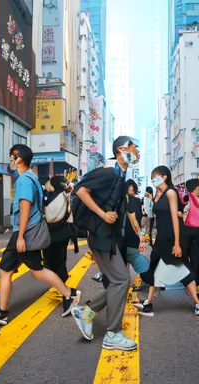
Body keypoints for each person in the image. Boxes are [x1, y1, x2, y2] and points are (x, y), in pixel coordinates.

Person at [0, 145, 81, 325]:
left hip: (25, 233)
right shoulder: (32, 178)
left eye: (12, 156)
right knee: (12, 270)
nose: (11, 159)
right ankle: (2, 312)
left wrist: (20, 236)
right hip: (28, 230)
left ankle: (69, 294)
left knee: (33, 271)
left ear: (18, 159)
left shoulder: (24, 180)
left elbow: (25, 208)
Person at [71, 136, 139, 350]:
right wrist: (102, 214)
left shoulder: (121, 174)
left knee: (114, 282)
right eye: (134, 148)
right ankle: (113, 334)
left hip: (108, 237)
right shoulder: (108, 172)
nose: (137, 153)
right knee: (120, 280)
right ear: (121, 149)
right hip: (101, 236)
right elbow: (80, 190)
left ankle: (86, 312)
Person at [131, 166, 199, 317]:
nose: (152, 179)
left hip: (171, 237)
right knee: (156, 267)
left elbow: (175, 218)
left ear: (164, 177)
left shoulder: (170, 192)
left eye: (155, 176)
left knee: (180, 268)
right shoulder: (159, 194)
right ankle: (148, 303)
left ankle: (198, 303)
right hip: (162, 237)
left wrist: (177, 243)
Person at [42, 175, 78, 283]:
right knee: (60, 260)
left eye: (49, 182)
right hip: (64, 232)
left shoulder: (54, 197)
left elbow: (49, 217)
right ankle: (62, 283)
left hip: (55, 234)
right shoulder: (63, 195)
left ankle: (63, 286)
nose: (47, 183)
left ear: (53, 185)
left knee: (52, 261)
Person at [182, 178, 199, 286]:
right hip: (187, 229)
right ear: (193, 189)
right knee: (184, 253)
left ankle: (196, 275)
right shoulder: (186, 199)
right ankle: (189, 276)